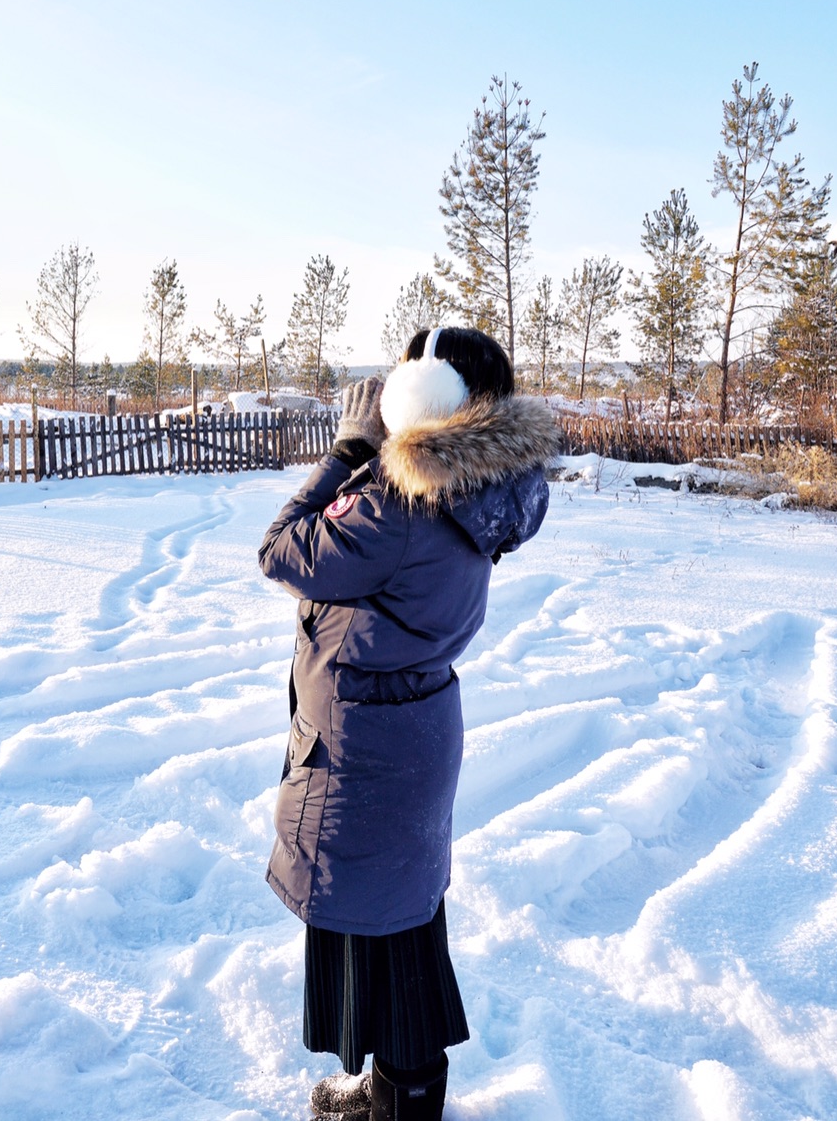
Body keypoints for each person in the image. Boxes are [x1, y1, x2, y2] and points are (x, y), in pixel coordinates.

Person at [258, 327, 557, 1120]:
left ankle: (402, 1100)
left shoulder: (398, 505)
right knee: (404, 925)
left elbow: (282, 549)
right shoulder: (483, 484)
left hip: (366, 744)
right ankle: (400, 1088)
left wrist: (347, 449)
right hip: (411, 725)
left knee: (379, 935)